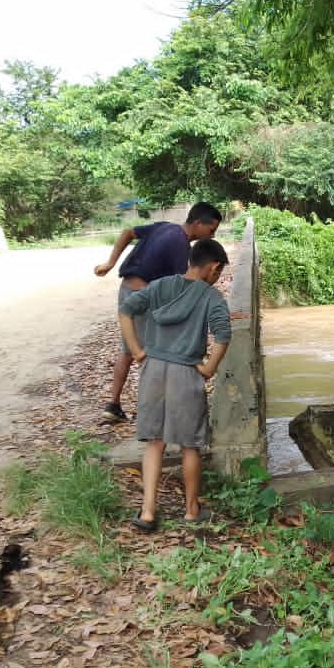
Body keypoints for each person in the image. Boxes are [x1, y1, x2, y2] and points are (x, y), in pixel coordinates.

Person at [118, 238, 234, 531]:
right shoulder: (211, 297)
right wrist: (208, 368)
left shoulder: (159, 286)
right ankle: (192, 510)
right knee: (190, 446)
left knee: (154, 444)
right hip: (186, 373)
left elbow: (126, 310)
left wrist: (137, 351)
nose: (216, 279)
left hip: (153, 370)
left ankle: (147, 512)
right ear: (213, 267)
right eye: (218, 274)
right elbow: (223, 334)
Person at [94, 201, 224, 422]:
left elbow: (128, 232)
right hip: (145, 297)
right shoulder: (181, 245)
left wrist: (110, 263)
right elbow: (187, 287)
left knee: (128, 350)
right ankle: (156, 412)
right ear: (197, 223)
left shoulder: (165, 226)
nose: (211, 236)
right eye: (211, 230)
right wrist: (218, 311)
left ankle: (113, 404)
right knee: (156, 353)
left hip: (126, 290)